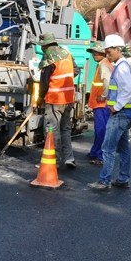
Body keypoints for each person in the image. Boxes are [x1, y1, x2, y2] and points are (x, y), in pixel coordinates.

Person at [88, 34, 131, 190]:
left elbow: (128, 90)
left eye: (109, 51)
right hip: (126, 114)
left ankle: (104, 181)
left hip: (120, 114)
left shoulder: (121, 68)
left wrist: (116, 106)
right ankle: (123, 178)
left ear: (118, 49)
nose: (107, 54)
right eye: (106, 52)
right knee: (123, 148)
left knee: (107, 148)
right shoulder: (123, 66)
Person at [36, 32, 77, 168]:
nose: (42, 49)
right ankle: (69, 158)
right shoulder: (66, 54)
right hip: (69, 97)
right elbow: (76, 70)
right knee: (65, 129)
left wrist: (40, 99)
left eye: (42, 46)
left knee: (52, 130)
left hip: (55, 99)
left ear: (45, 45)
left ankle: (53, 161)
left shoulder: (49, 58)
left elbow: (44, 83)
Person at [86, 40, 113, 165]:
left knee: (101, 130)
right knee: (100, 130)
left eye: (97, 53)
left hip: (102, 104)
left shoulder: (103, 65)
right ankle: (95, 152)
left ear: (103, 54)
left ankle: (100, 155)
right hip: (100, 104)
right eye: (93, 53)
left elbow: (106, 81)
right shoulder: (103, 64)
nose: (94, 55)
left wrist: (103, 96)